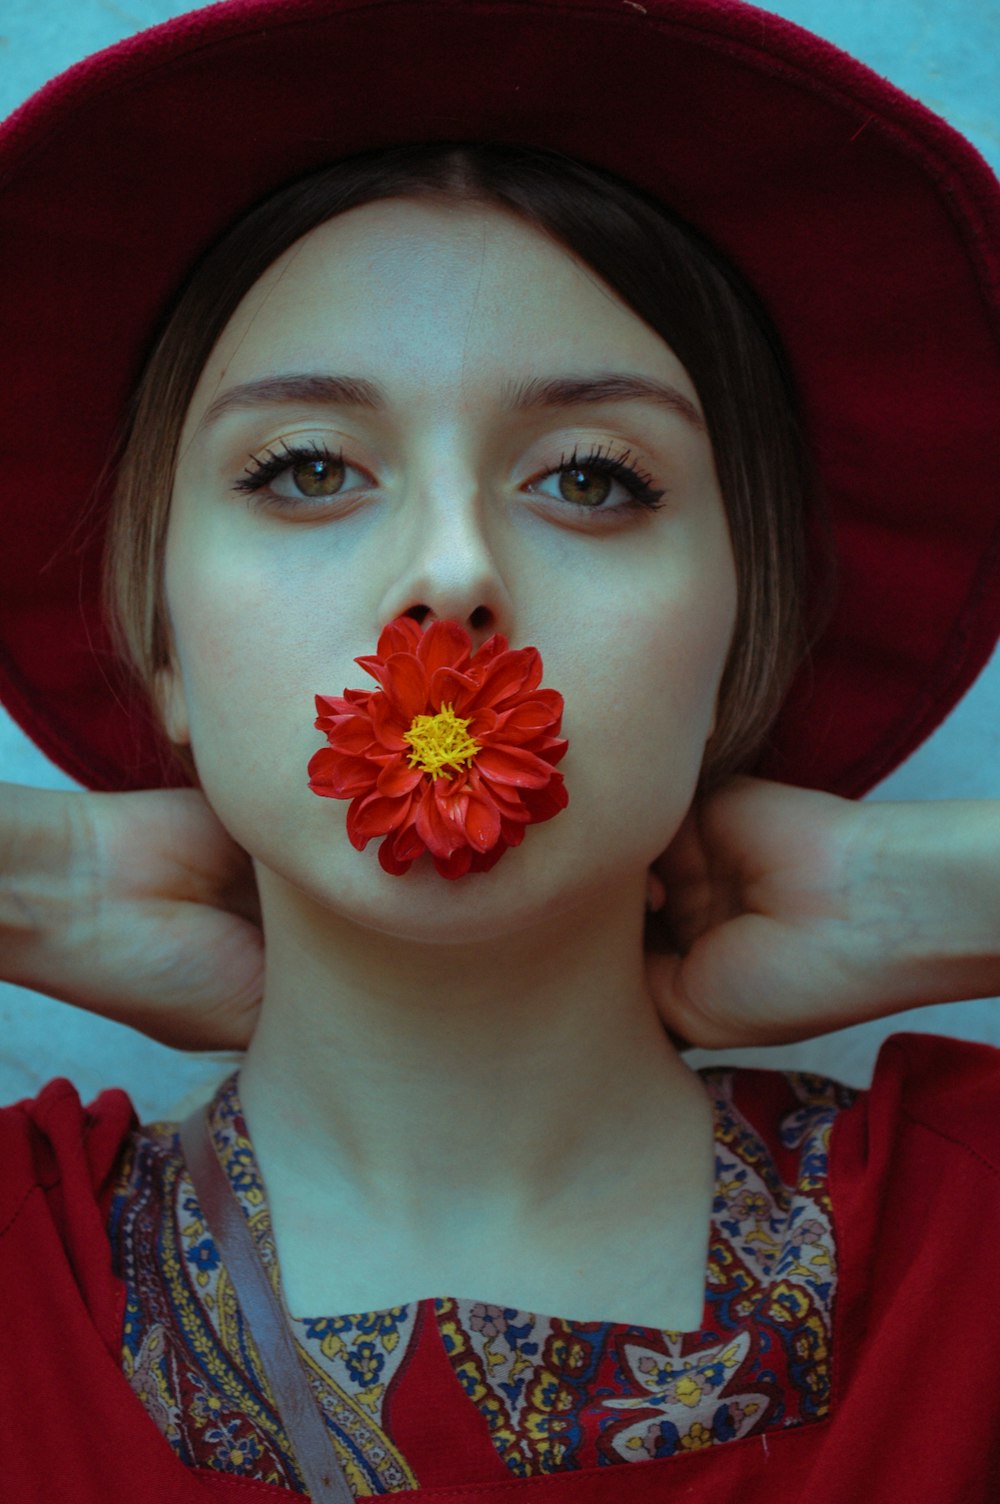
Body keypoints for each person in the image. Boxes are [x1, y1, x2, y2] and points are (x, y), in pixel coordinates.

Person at [1, 0, 999, 1500]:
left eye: (594, 478)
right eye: (309, 469)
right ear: (159, 644)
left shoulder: (965, 1255)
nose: (452, 570)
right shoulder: (31, 1274)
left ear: (747, 634)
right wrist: (38, 882)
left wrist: (933, 893)